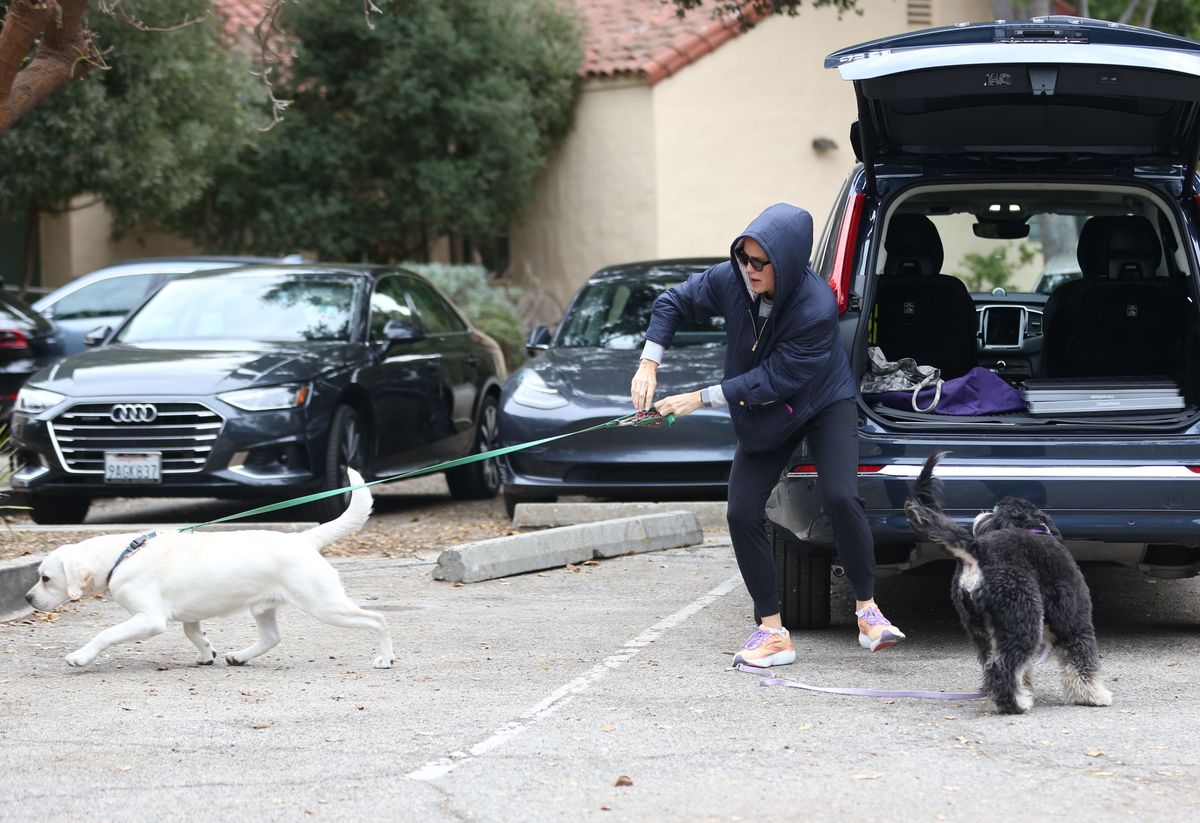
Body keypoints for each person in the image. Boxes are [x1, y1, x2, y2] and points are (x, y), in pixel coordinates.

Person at [630, 203, 905, 667]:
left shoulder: (816, 308)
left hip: (820, 400)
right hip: (762, 411)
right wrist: (649, 361)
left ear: (789, 263)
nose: (750, 271)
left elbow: (775, 379)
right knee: (740, 512)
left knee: (840, 496)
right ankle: (772, 632)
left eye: (761, 263)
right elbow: (671, 301)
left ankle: (867, 609)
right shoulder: (731, 278)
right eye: (745, 259)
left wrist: (697, 397)